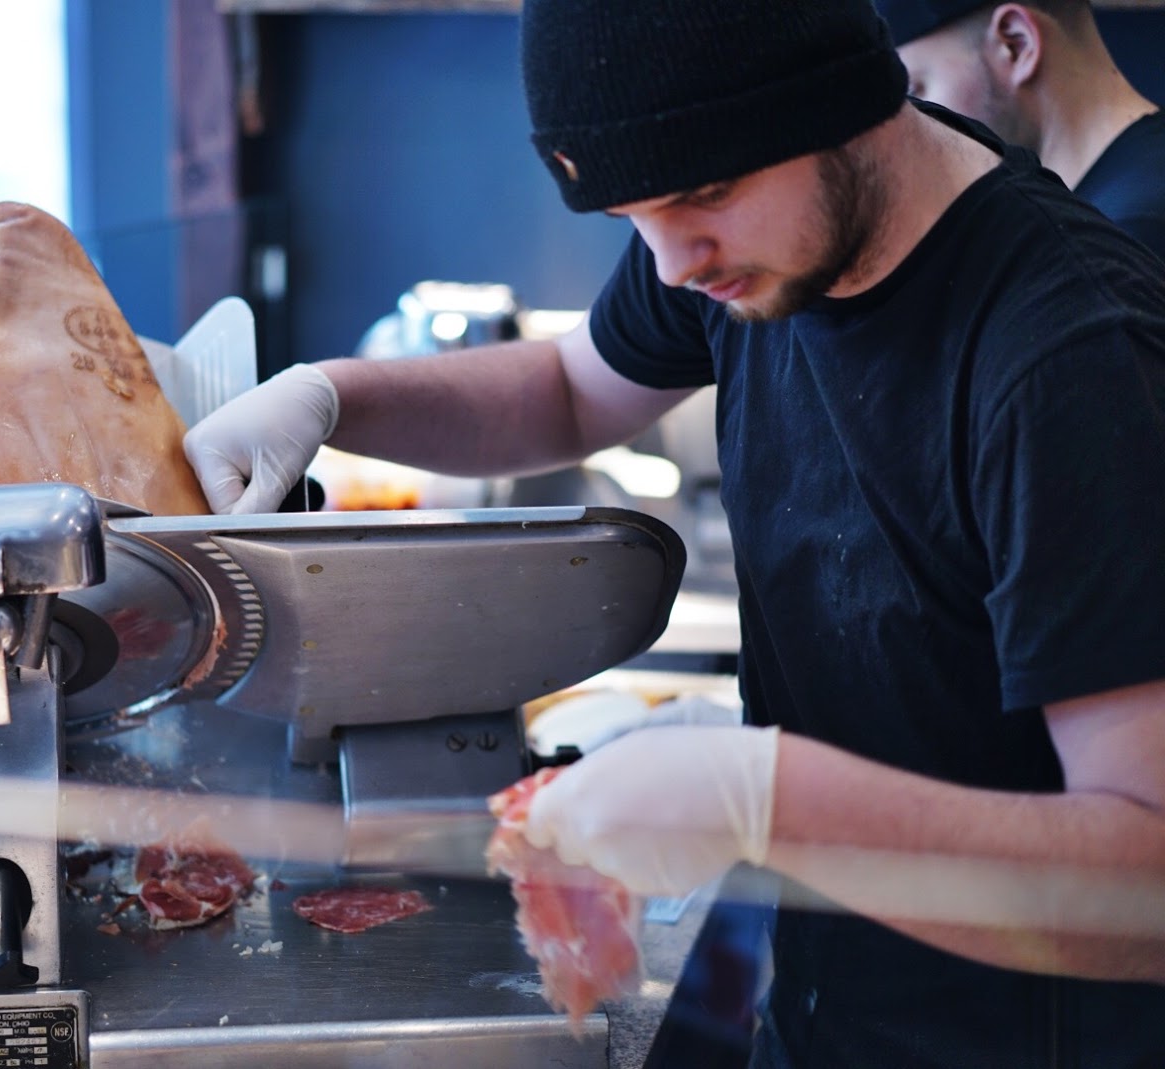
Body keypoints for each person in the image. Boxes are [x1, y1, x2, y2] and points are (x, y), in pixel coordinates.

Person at [181, 0, 1165, 1065]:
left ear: (843, 103)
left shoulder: (1068, 357)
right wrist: (329, 395)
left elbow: (1143, 877)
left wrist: (763, 797)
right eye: (628, 220)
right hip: (828, 1005)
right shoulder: (740, 233)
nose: (671, 264)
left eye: (702, 198)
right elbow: (566, 387)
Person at [875, 0, 1165, 259]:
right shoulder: (1107, 213)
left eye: (916, 90)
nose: (913, 121)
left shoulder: (1126, 237)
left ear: (1016, 44)